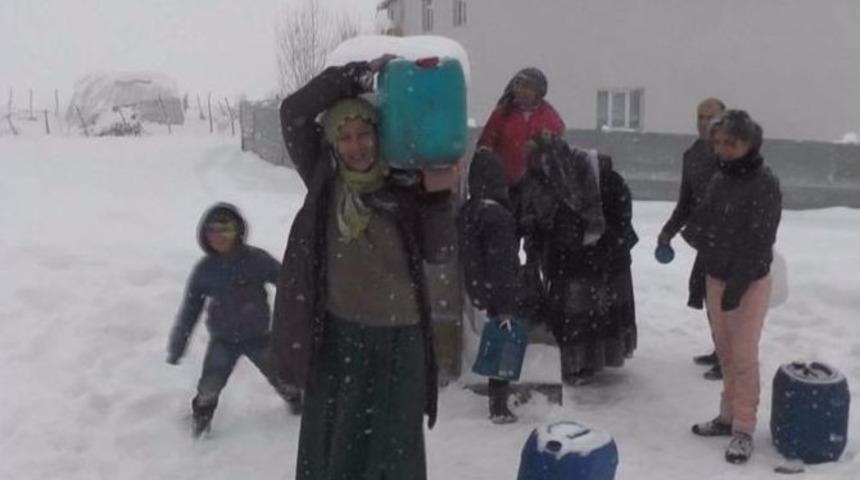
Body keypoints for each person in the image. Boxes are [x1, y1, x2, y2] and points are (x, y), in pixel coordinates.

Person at [271, 56, 458, 480]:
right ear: (333, 144)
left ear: (379, 134)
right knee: (336, 444)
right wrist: (357, 75)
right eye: (346, 137)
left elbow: (441, 251)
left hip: (400, 339)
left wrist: (436, 198)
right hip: (340, 335)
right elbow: (293, 112)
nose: (357, 147)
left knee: (392, 449)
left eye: (365, 134)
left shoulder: (403, 182)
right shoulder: (324, 178)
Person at [683, 110, 782, 464]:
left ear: (749, 144)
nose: (722, 149)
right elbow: (704, 216)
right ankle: (727, 416)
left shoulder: (764, 183)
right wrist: (696, 234)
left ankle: (743, 428)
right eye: (719, 142)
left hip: (749, 282)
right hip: (717, 275)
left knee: (743, 356)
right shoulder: (721, 177)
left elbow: (759, 239)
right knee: (725, 353)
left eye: (731, 143)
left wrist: (738, 286)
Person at [166, 203, 300, 438]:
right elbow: (190, 309)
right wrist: (178, 343)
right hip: (223, 339)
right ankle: (202, 415)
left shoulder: (257, 260)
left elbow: (288, 283)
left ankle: (296, 400)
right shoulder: (205, 270)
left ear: (238, 231)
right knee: (211, 380)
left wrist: (301, 304)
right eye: (213, 231)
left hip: (259, 336)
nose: (220, 237)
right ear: (205, 236)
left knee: (279, 372)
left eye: (226, 229)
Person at [519, 135, 637, 385]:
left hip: (599, 253)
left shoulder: (600, 178)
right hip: (566, 254)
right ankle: (577, 360)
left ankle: (586, 361)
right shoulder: (540, 176)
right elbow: (534, 213)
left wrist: (600, 244)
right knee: (574, 308)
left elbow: (618, 218)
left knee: (588, 308)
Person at [658, 97, 726, 381]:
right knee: (709, 297)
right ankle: (720, 349)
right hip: (705, 240)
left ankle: (728, 357)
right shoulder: (693, 155)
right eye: (700, 116)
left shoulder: (732, 154)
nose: (704, 122)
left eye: (710, 117)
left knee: (724, 301)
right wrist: (668, 231)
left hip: (730, 241)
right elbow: (686, 201)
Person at [459, 151, 522, 424]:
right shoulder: (499, 217)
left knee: (491, 341)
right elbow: (503, 265)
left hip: (476, 286)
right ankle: (499, 406)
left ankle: (496, 402)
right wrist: (507, 305)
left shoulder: (468, 212)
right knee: (503, 346)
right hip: (499, 291)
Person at [477, 67, 565, 213]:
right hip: (505, 186)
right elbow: (486, 143)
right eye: (519, 86)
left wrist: (540, 144)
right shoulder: (502, 114)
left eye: (528, 87)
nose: (522, 91)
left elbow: (557, 144)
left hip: (538, 189)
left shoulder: (549, 116)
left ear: (539, 92)